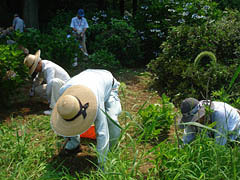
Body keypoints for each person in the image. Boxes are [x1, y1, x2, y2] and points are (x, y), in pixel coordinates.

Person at [50, 69, 122, 167]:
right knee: (70, 116)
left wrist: (102, 164)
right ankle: (73, 145)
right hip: (88, 78)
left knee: (111, 120)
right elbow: (66, 118)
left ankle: (111, 150)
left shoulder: (95, 101)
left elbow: (102, 133)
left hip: (108, 84)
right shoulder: (64, 95)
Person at [24, 50, 70, 115]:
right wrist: (32, 90)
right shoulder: (42, 66)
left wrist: (50, 100)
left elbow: (50, 84)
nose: (35, 70)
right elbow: (38, 79)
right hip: (57, 88)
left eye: (35, 68)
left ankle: (54, 108)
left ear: (38, 63)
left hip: (66, 89)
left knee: (54, 82)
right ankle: (56, 101)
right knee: (37, 89)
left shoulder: (49, 68)